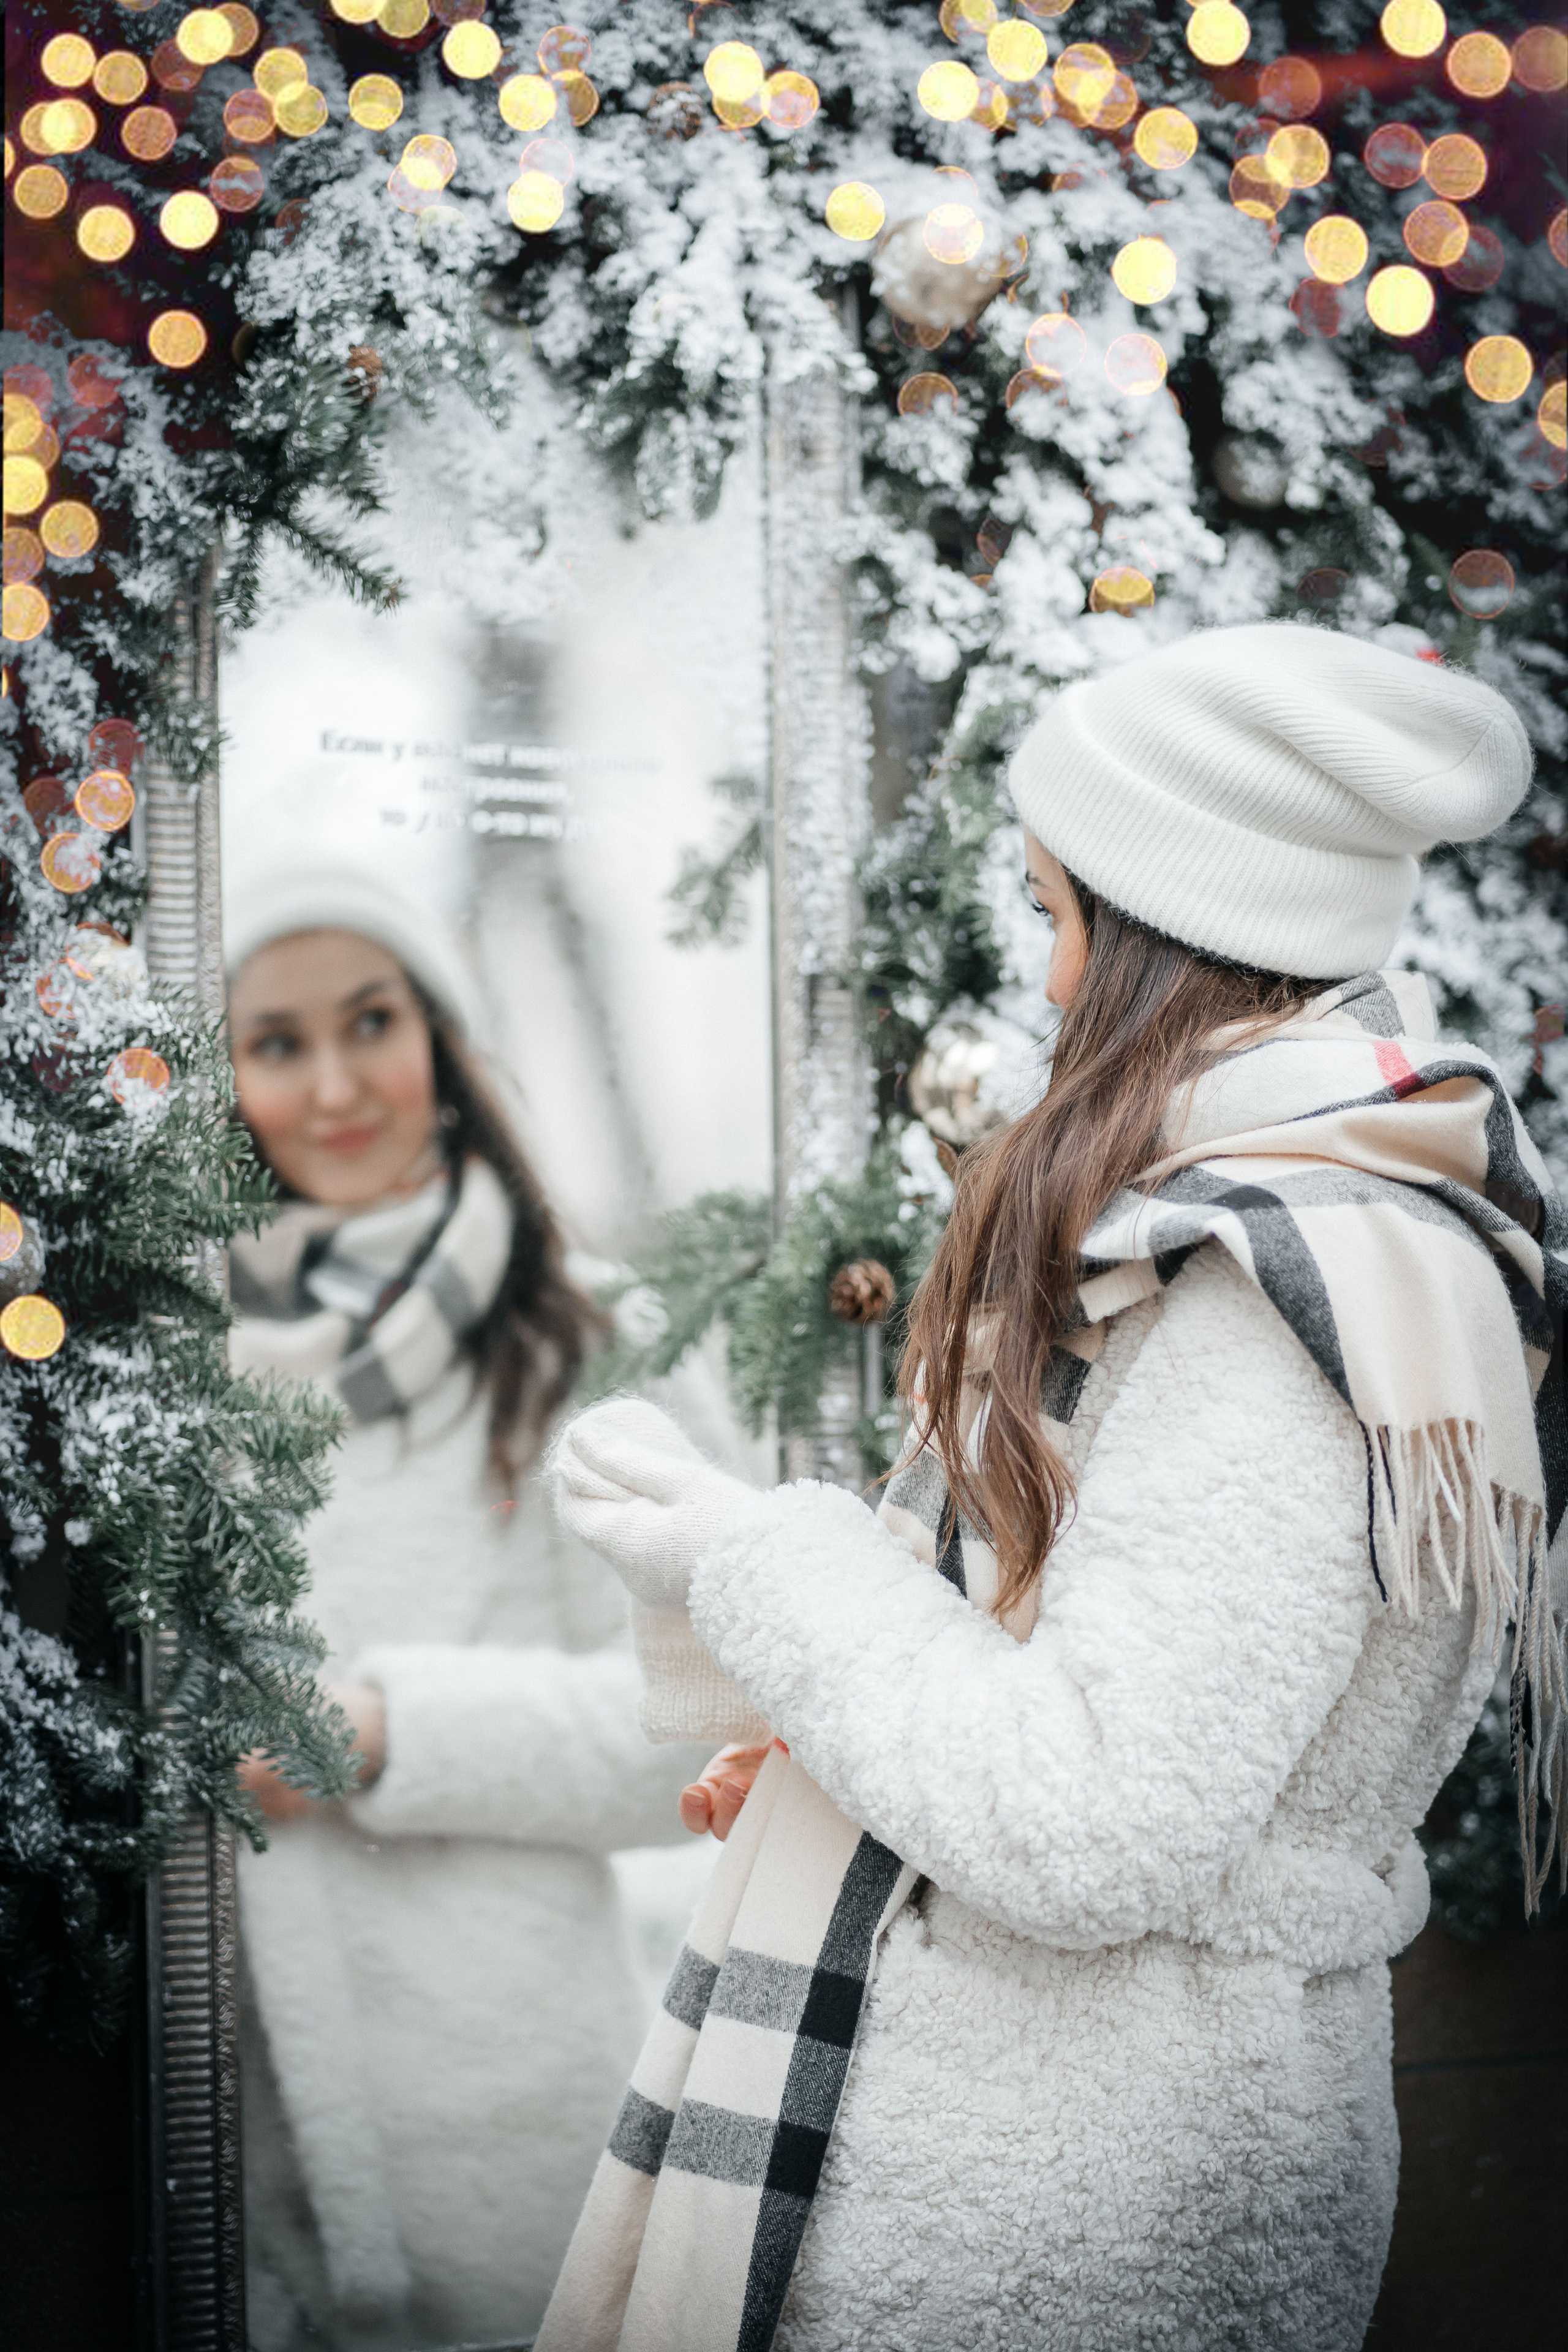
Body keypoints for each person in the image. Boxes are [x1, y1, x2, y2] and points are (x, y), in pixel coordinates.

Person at [540, 625, 1565, 2352]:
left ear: (1173, 934)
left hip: (1080, 2194)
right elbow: (1155, 1703)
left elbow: (1095, 1824)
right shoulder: (1305, 1230)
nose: (1045, 974)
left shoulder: (1275, 1295)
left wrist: (756, 1559)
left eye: (1058, 913)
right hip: (1116, 2136)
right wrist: (841, 1759)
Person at [224, 864, 710, 2352]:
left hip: (504, 2109)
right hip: (221, 2117)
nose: (333, 1086)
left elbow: (702, 1722)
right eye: (276, 1042)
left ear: (436, 1035)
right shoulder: (151, 1369)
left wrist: (385, 1735)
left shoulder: (580, 1337)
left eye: (369, 1021)